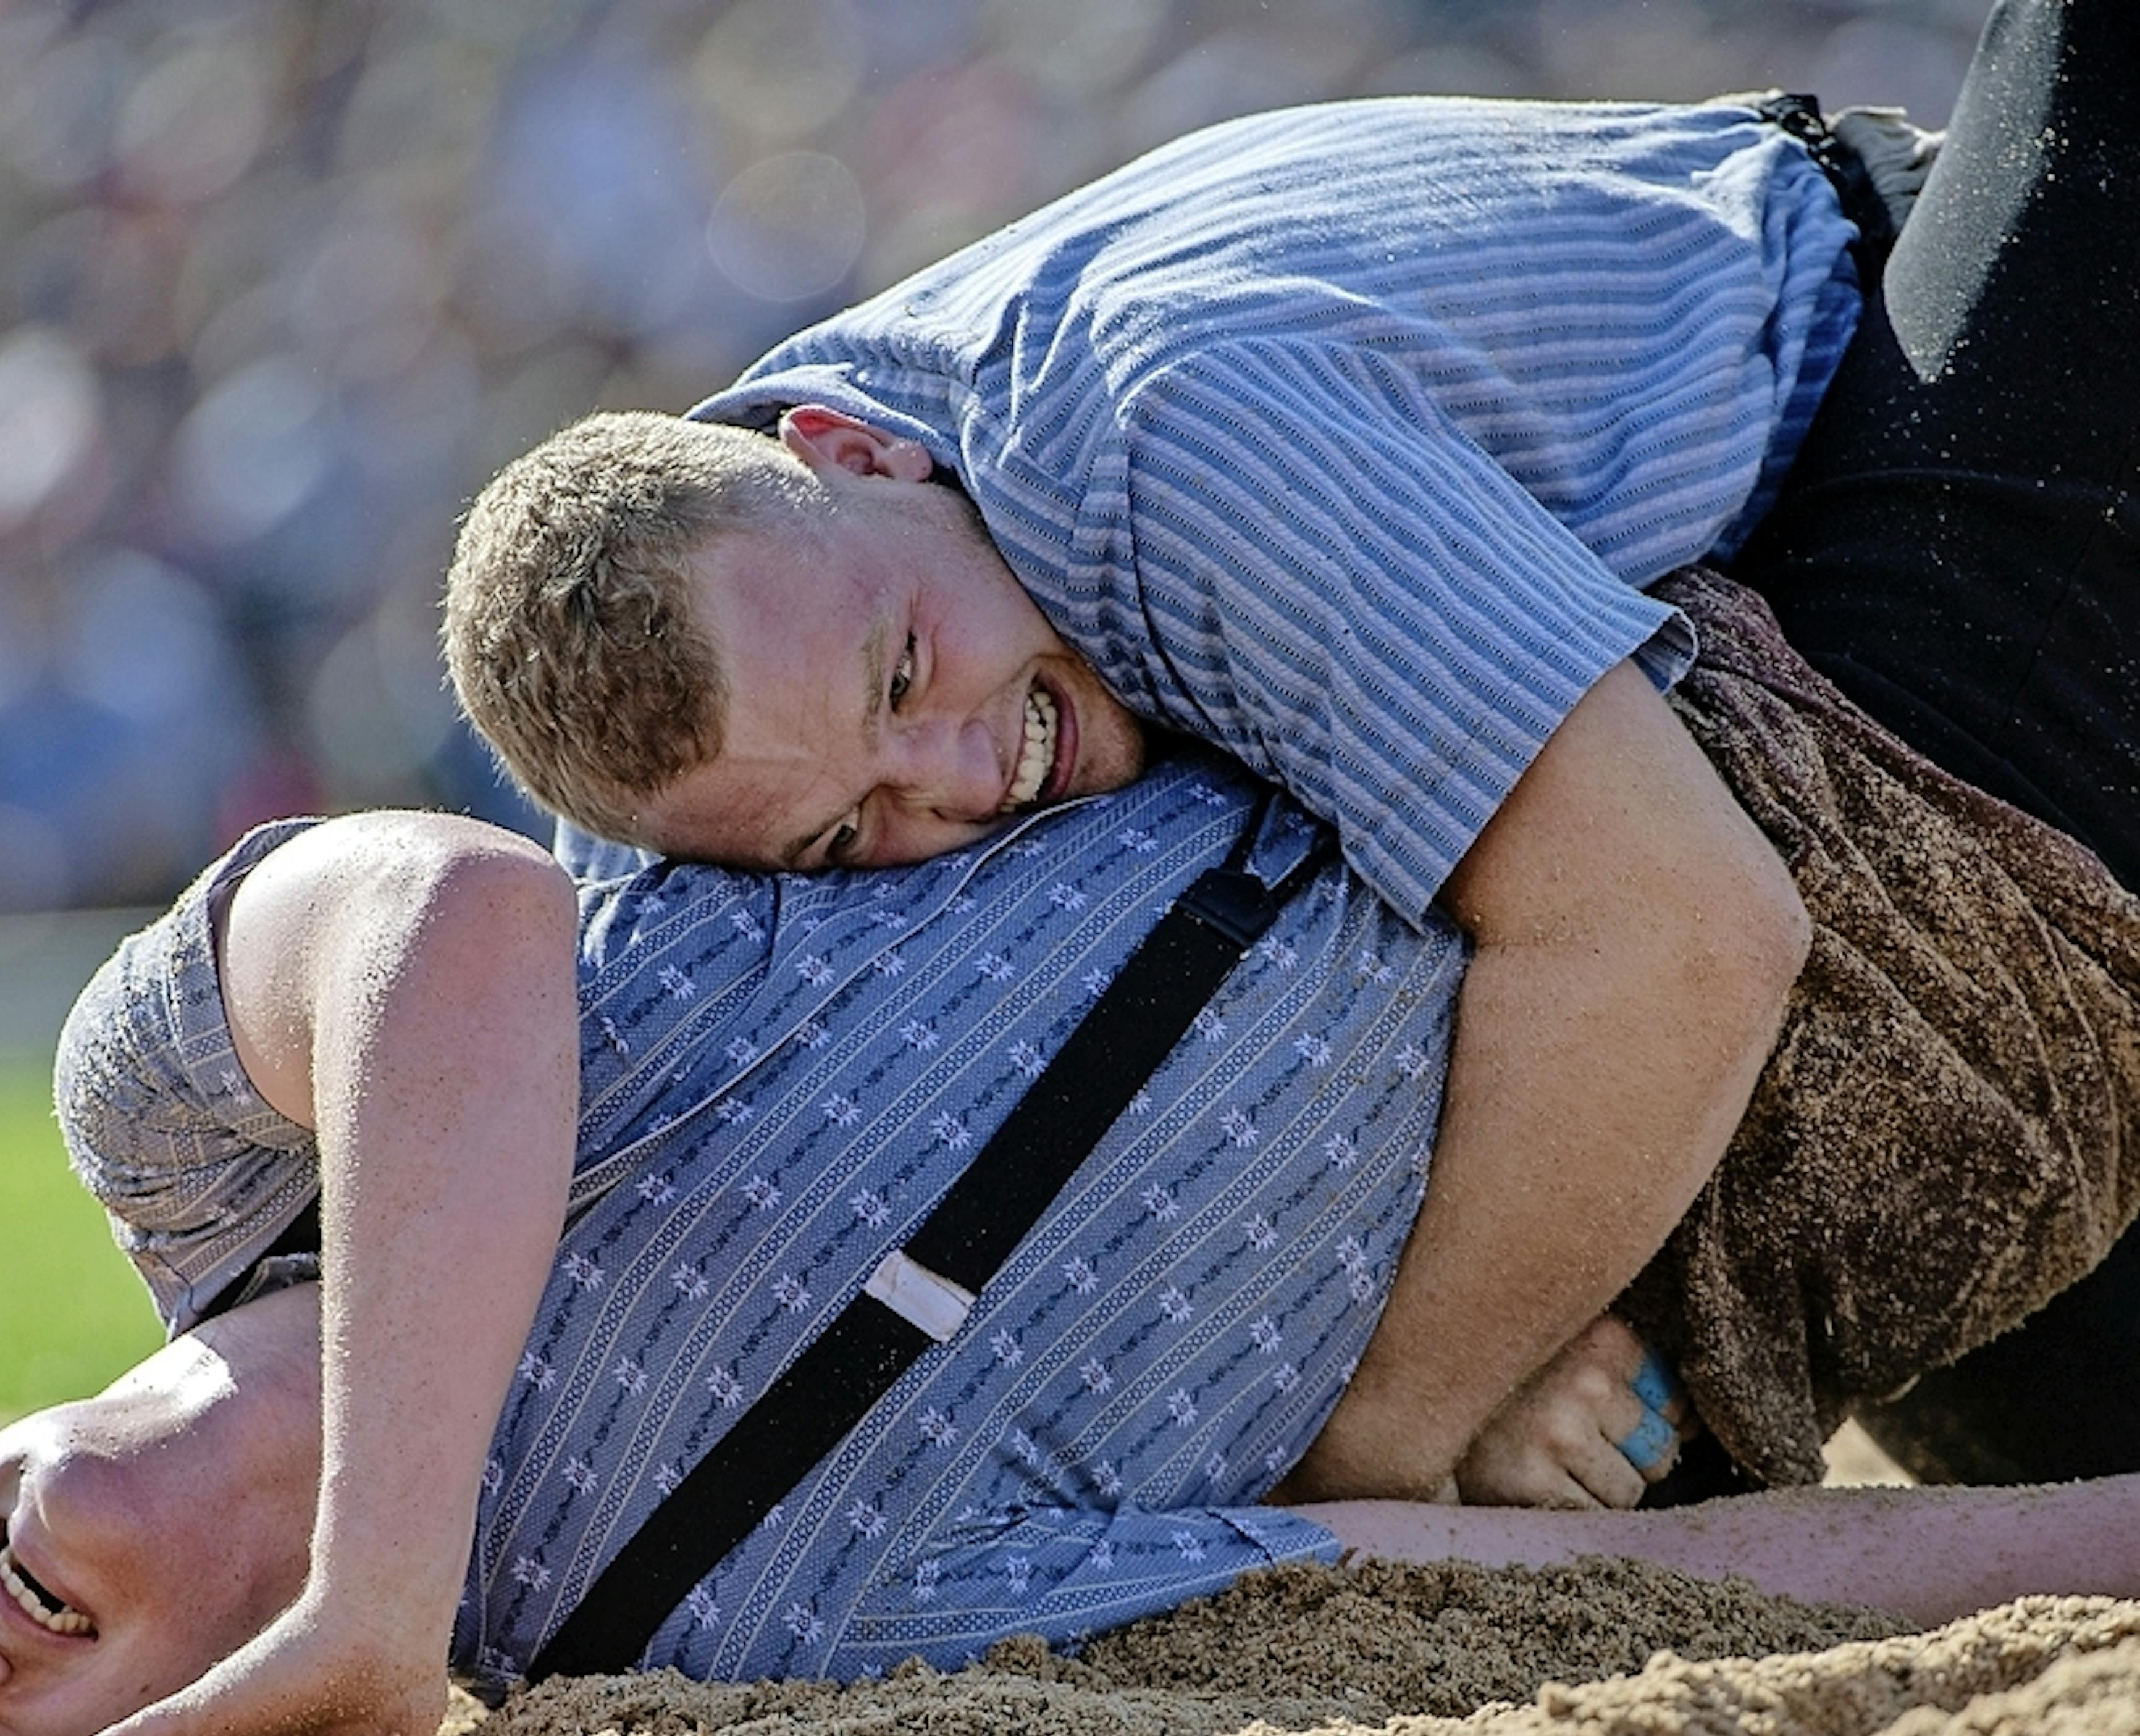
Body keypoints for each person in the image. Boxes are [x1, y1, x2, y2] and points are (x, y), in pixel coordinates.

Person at [442, 0, 2138, 1490]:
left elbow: (1679, 933)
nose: (963, 779)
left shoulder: (1156, 435)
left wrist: (1392, 1435)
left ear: (852, 454)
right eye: (841, 837)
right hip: (1802, 651)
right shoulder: (750, 693)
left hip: (1907, 411)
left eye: (904, 679)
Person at [0, 729, 2140, 1736]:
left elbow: (462, 914)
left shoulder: (185, 1135)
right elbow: (1451, 1577)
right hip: (1919, 1102)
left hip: (1735, 687)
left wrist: (378, 1595)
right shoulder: (733, 1641)